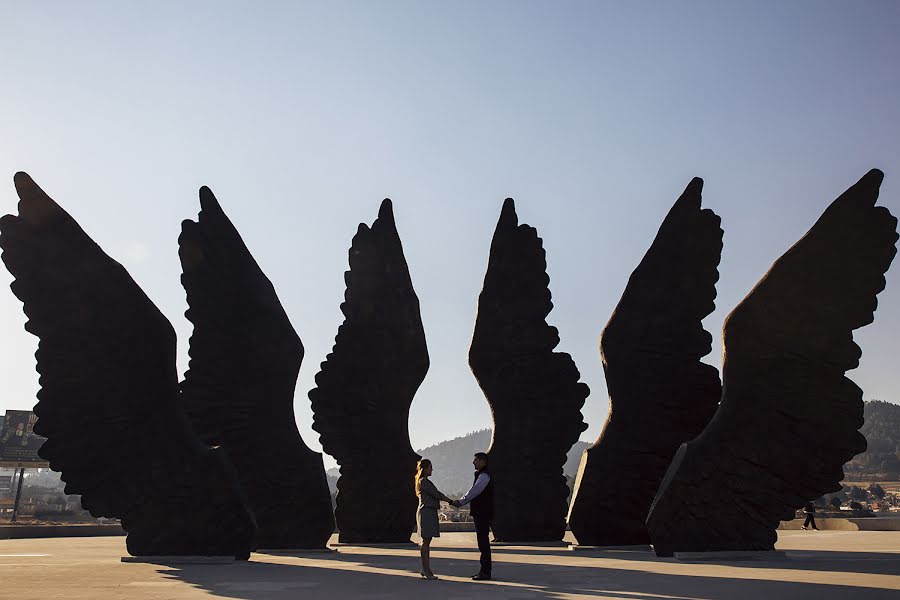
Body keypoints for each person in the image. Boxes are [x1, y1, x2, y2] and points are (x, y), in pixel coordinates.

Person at [451, 452, 493, 581]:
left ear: (482, 461)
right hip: (482, 512)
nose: (473, 462)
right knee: (483, 542)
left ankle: (485, 572)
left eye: (475, 460)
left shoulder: (484, 476)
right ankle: (484, 571)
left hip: (482, 513)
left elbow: (475, 491)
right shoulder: (482, 475)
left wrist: (460, 502)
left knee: (483, 543)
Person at [415, 458, 452, 580]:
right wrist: (452, 501)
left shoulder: (424, 481)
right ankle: (426, 569)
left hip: (428, 511)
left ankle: (425, 568)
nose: (432, 469)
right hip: (427, 511)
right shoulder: (424, 481)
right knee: (426, 541)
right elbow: (437, 494)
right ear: (425, 469)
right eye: (430, 467)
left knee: (426, 541)